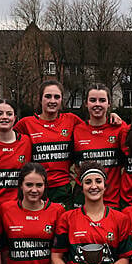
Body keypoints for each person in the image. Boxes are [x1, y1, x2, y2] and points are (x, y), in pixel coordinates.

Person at [14, 80, 84, 208]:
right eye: (48, 96)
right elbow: (5, 137)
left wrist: (112, 116)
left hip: (62, 189)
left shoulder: (71, 120)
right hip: (36, 189)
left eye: (57, 97)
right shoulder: (26, 123)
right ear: (40, 99)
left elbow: (92, 129)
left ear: (62, 100)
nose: (52, 101)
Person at [71, 84, 127, 208]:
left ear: (109, 104)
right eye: (92, 100)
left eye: (102, 100)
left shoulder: (120, 128)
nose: (97, 104)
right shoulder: (77, 130)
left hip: (111, 201)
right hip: (83, 201)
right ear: (86, 103)